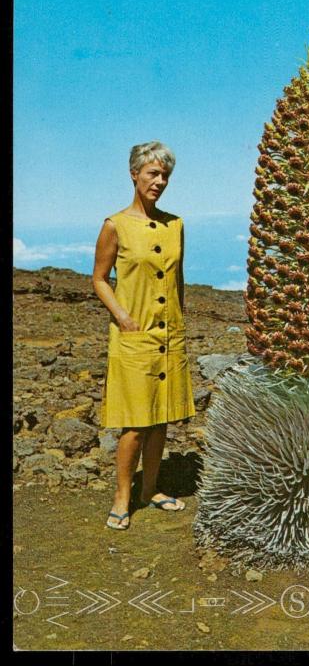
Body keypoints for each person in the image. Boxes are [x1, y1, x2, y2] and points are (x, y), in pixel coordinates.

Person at [92, 141, 196, 530]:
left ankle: (149, 489)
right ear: (134, 174)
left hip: (169, 336)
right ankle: (122, 498)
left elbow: (177, 279)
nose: (160, 181)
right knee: (135, 422)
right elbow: (99, 279)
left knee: (161, 418)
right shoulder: (115, 225)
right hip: (133, 335)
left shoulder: (175, 225)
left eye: (165, 175)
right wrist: (123, 316)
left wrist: (180, 322)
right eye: (152, 173)